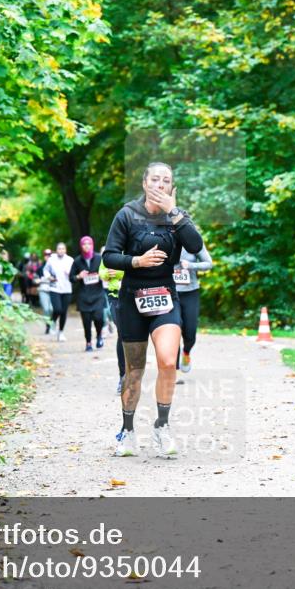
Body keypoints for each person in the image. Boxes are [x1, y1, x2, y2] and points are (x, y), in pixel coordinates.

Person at [103, 161, 203, 458]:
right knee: (134, 371)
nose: (160, 185)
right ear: (145, 183)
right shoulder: (127, 215)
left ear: (172, 187)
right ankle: (128, 431)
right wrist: (137, 261)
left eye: (166, 181)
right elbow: (109, 256)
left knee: (168, 361)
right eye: (155, 179)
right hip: (133, 297)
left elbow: (195, 245)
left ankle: (161, 426)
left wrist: (174, 213)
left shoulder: (178, 217)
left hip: (165, 296)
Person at [174, 244, 213, 374]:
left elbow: (208, 264)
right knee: (172, 330)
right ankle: (172, 369)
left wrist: (191, 265)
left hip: (190, 292)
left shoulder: (194, 241)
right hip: (170, 292)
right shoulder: (163, 239)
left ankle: (186, 353)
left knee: (190, 332)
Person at [70, 236, 106, 352]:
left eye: (89, 244)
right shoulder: (77, 261)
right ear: (81, 246)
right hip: (84, 295)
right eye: (84, 244)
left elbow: (107, 273)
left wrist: (102, 276)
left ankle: (99, 335)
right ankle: (88, 343)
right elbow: (71, 278)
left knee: (99, 318)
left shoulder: (99, 258)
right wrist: (78, 276)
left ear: (92, 245)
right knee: (86, 321)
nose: (87, 246)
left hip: (98, 294)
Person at [99, 253, 126, 394]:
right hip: (115, 296)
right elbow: (101, 271)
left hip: (134, 295)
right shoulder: (111, 250)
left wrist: (119, 272)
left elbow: (135, 267)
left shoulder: (133, 245)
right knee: (122, 333)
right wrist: (106, 274)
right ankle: (123, 377)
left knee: (135, 336)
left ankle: (135, 375)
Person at [43, 242, 74, 342]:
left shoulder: (70, 260)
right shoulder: (51, 259)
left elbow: (74, 272)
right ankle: (53, 322)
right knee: (57, 309)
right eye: (59, 249)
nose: (61, 250)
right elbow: (45, 270)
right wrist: (49, 277)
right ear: (56, 250)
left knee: (64, 312)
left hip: (67, 289)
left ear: (65, 250)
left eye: (63, 249)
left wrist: (70, 273)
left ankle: (61, 332)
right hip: (54, 288)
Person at [37, 249, 54, 334]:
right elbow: (36, 278)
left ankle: (52, 326)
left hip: (53, 289)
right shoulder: (40, 268)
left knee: (52, 308)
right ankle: (48, 326)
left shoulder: (55, 267)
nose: (47, 257)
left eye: (49, 255)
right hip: (43, 289)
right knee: (46, 309)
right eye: (46, 255)